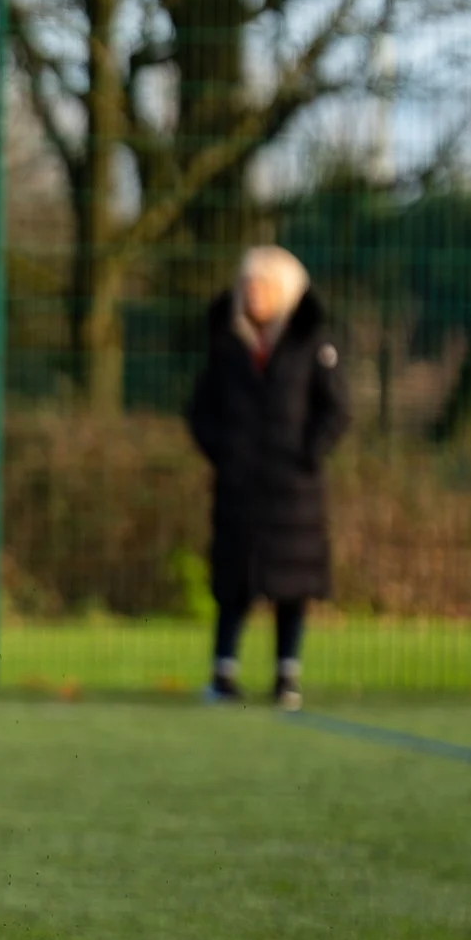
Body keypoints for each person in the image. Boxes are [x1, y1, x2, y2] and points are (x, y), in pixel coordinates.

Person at [185, 245, 350, 711]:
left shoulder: (313, 344)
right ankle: (223, 671)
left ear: (286, 292)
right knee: (233, 578)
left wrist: (308, 453)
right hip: (239, 485)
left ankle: (286, 674)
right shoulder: (227, 343)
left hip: (295, 488)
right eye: (246, 284)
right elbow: (199, 409)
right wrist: (225, 453)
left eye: (262, 285)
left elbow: (336, 409)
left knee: (292, 583)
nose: (251, 293)